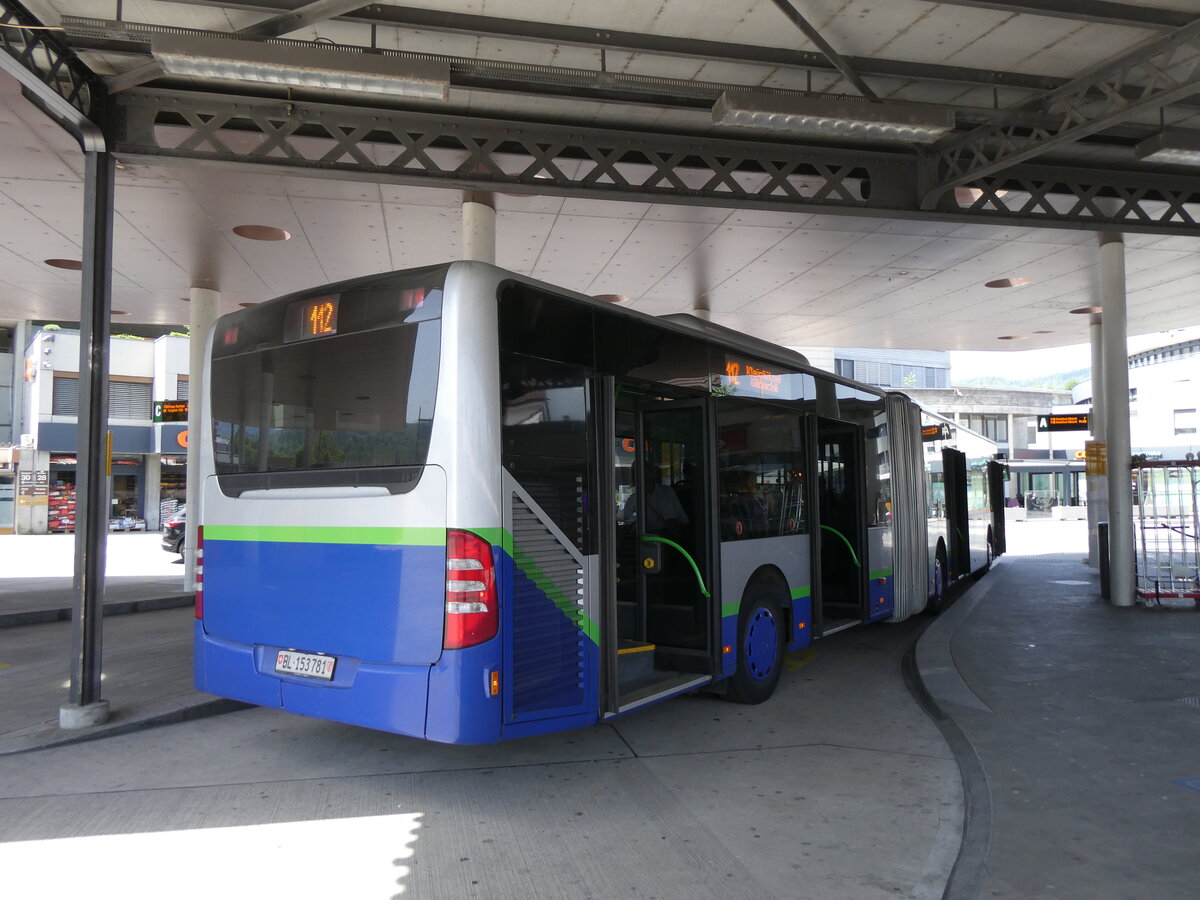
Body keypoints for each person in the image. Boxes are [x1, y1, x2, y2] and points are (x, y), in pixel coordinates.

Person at [620, 461, 689, 535]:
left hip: (670, 537)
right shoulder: (635, 498)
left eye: (647, 472)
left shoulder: (667, 492)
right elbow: (625, 516)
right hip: (651, 538)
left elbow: (683, 519)